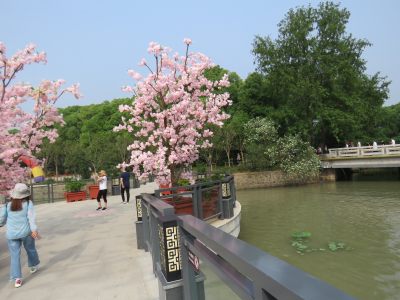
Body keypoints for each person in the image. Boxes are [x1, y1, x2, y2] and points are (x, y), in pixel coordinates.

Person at [0, 183, 40, 288]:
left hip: (12, 235)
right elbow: (31, 218)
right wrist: (34, 230)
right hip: (26, 233)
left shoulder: (8, 205)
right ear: (26, 194)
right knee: (30, 249)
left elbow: (1, 220)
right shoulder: (28, 203)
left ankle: (17, 279)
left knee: (14, 256)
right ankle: (32, 266)